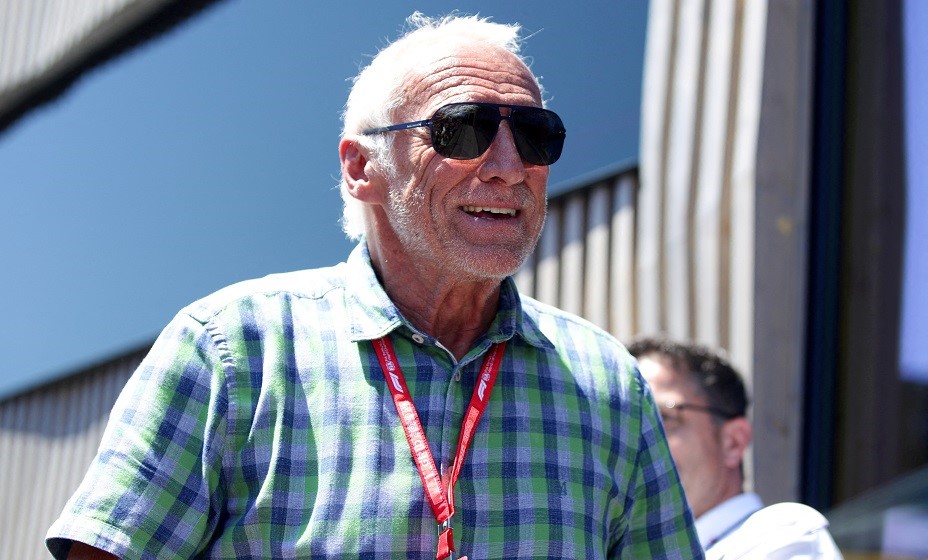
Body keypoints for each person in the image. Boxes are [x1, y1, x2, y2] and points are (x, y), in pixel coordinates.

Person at [46, 13, 702, 559]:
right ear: (362, 167)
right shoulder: (231, 349)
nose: (508, 167)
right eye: (462, 129)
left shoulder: (608, 382)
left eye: (535, 136)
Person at [627, 335, 844, 559]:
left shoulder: (783, 536)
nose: (633, 443)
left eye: (662, 417)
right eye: (622, 426)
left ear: (733, 441)